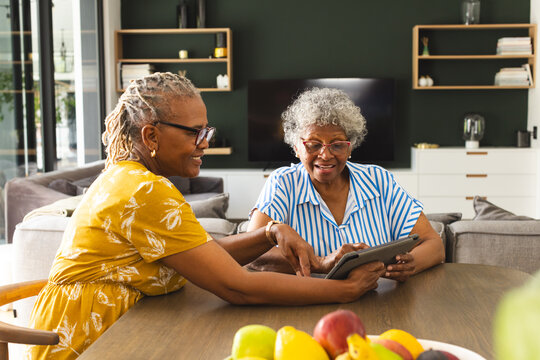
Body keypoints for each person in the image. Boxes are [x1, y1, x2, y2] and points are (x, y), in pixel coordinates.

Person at [25, 73, 386, 360]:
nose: (205, 142)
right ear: (151, 135)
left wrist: (270, 233)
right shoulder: (144, 190)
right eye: (195, 132)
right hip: (89, 343)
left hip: (117, 332)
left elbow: (207, 254)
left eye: (206, 131)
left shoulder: (131, 179)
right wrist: (345, 289)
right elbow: (236, 286)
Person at [247, 87, 445, 280]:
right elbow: (251, 256)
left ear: (350, 148)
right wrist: (320, 262)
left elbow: (434, 245)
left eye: (337, 145)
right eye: (314, 144)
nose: (325, 155)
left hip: (380, 303)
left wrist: (411, 263)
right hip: (310, 307)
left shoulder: (378, 180)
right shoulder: (283, 183)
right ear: (296, 147)